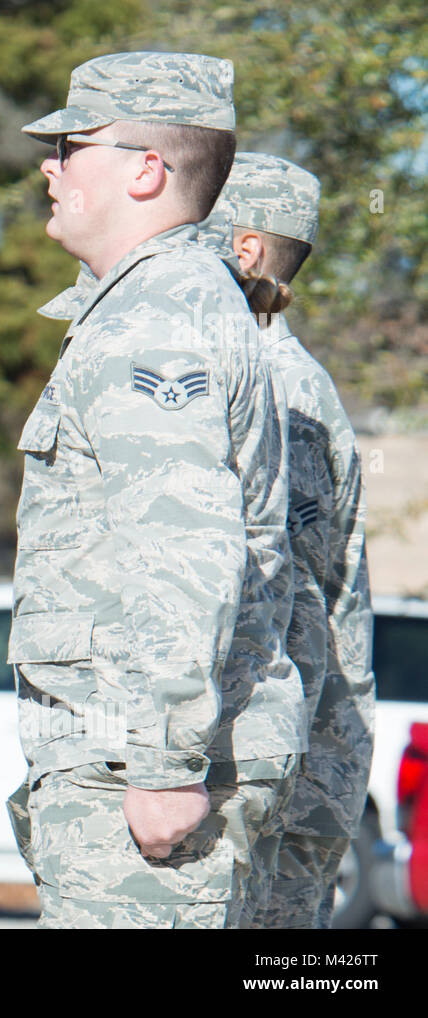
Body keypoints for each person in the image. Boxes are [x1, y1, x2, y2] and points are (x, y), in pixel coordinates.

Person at [6, 52, 306, 928]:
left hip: (138, 771)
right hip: (132, 758)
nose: (49, 167)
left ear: (148, 170)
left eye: (72, 144)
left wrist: (167, 764)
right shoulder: (167, 297)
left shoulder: (158, 314)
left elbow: (184, 542)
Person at [214, 153, 375, 928]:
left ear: (244, 251)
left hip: (274, 778)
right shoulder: (252, 370)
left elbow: (292, 608)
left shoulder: (279, 388)